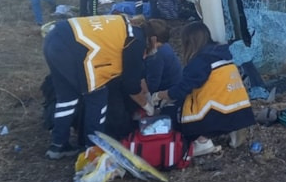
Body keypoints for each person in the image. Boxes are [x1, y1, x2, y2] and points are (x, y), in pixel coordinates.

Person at [42, 15, 156, 159]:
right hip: (73, 48)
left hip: (54, 38)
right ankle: (92, 149)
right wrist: (146, 105)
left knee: (67, 98)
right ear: (152, 39)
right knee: (98, 96)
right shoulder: (136, 40)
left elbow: (134, 72)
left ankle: (58, 145)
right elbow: (130, 84)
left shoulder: (123, 23)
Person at [153, 22, 255, 157]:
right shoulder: (223, 55)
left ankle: (202, 140)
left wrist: (160, 95)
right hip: (241, 109)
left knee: (175, 112)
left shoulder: (200, 61)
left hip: (217, 111)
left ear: (189, 42)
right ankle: (233, 129)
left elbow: (182, 90)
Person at [144, 19, 182, 93]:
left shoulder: (155, 56)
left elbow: (152, 85)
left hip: (167, 92)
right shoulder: (165, 45)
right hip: (175, 84)